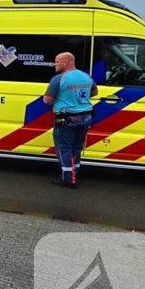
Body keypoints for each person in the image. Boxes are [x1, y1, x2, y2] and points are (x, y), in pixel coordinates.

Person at [43, 52, 98, 189]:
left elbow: (47, 101)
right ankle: (74, 173)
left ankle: (68, 179)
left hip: (66, 118)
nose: (55, 64)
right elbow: (94, 92)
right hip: (85, 117)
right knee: (76, 148)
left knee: (64, 149)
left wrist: (64, 97)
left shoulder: (58, 79)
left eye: (57, 61)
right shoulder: (86, 76)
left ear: (66, 62)